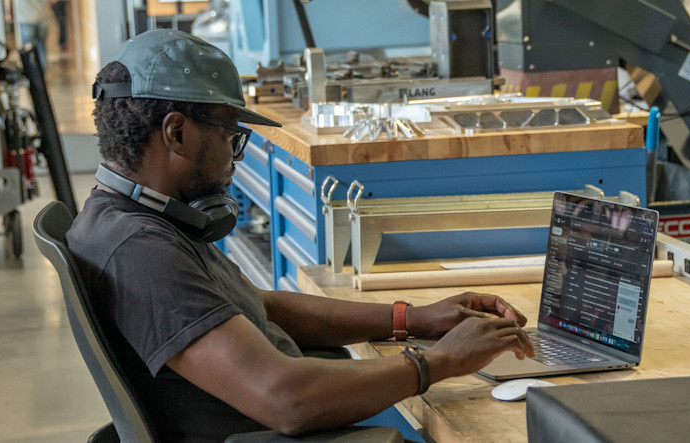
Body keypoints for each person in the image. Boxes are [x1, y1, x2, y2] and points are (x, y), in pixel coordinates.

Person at [67, 29, 534, 441]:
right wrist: (440, 362)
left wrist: (416, 319)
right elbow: (286, 400)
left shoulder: (140, 217)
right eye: (231, 135)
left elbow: (262, 307)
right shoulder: (141, 252)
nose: (235, 157)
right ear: (177, 133)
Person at [15, 0, 54, 69]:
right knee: (41, 48)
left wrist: (8, 12)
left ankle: (31, 75)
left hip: (25, 17)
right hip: (42, 15)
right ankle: (41, 75)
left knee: (27, 50)